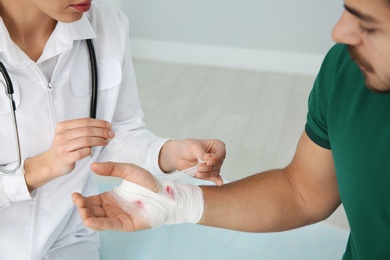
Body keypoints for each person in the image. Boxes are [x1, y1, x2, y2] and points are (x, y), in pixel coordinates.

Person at [72, 0, 390, 259]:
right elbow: (302, 191)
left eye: (368, 25)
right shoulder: (346, 72)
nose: (339, 32)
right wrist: (172, 201)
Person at [0, 0, 226, 259]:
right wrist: (41, 168)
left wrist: (168, 153)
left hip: (70, 236)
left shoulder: (108, 26)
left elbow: (117, 132)